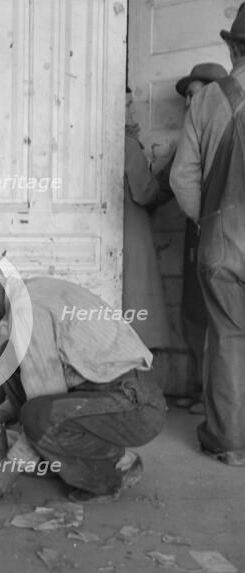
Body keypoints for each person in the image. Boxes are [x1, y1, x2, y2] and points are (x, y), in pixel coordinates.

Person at [0, 249, 167, 502]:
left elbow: (46, 403)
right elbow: (39, 382)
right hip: (112, 390)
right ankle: (54, 453)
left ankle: (115, 467)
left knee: (38, 416)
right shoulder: (29, 292)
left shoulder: (26, 310)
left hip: (136, 405)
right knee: (8, 357)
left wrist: (11, 468)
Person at [170, 5, 245, 464]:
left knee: (228, 339)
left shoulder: (207, 100)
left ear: (232, 47)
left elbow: (182, 178)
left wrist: (208, 220)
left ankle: (231, 442)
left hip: (222, 241)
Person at [158, 63, 228, 415]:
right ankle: (202, 391)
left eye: (195, 93)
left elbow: (177, 179)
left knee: (220, 320)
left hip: (213, 228)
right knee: (194, 312)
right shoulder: (192, 134)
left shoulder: (221, 123)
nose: (190, 103)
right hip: (198, 230)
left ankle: (216, 402)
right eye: (187, 96)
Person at [123, 88, 172, 349]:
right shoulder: (128, 145)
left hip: (110, 234)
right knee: (137, 302)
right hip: (132, 236)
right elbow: (145, 193)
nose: (131, 112)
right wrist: (165, 173)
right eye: (127, 105)